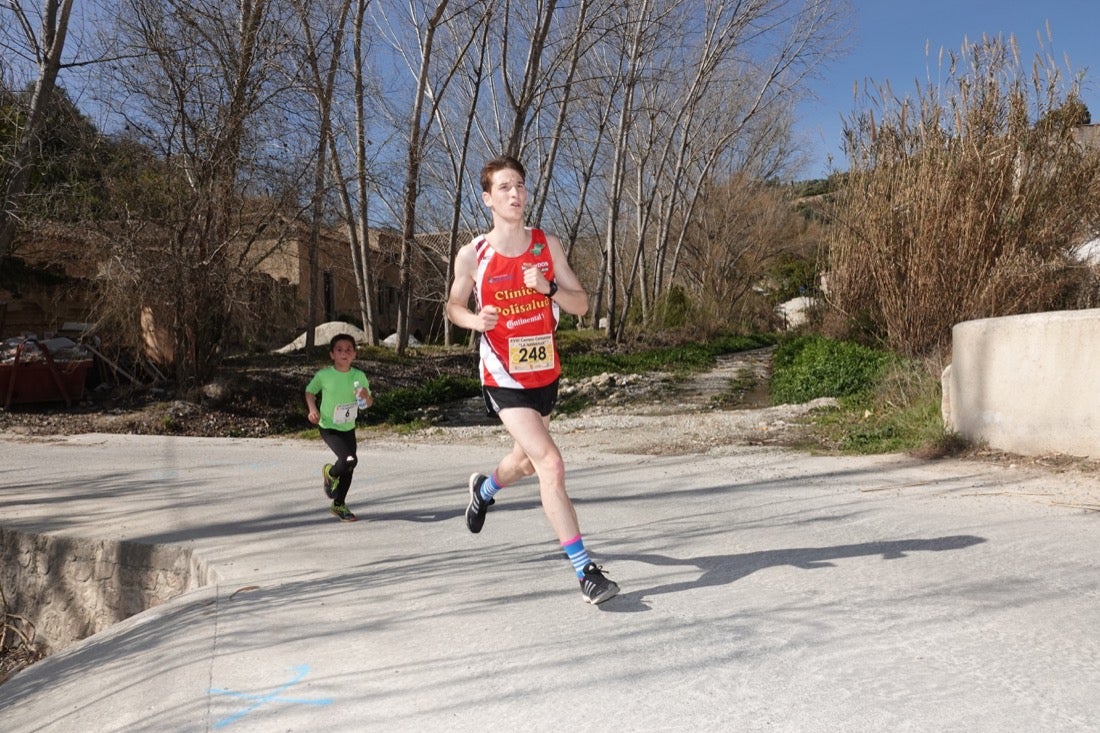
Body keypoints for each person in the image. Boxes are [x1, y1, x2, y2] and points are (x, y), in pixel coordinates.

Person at [444, 155, 620, 605]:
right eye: (504, 188)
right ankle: (586, 572)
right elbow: (453, 307)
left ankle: (484, 491)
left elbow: (581, 305)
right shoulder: (474, 253)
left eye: (520, 185)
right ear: (487, 199)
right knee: (551, 464)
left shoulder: (547, 245)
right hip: (501, 373)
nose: (515, 194)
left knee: (525, 462)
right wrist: (475, 321)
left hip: (544, 372)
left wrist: (548, 289)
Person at [305, 333, 373, 522]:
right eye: (340, 350)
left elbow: (367, 403)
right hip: (328, 426)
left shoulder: (359, 376)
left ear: (355, 355)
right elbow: (310, 391)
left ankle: (339, 505)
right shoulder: (324, 375)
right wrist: (312, 410)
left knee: (349, 466)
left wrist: (365, 396)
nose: (345, 353)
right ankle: (330, 473)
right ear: (332, 354)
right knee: (349, 459)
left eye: (349, 350)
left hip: (348, 427)